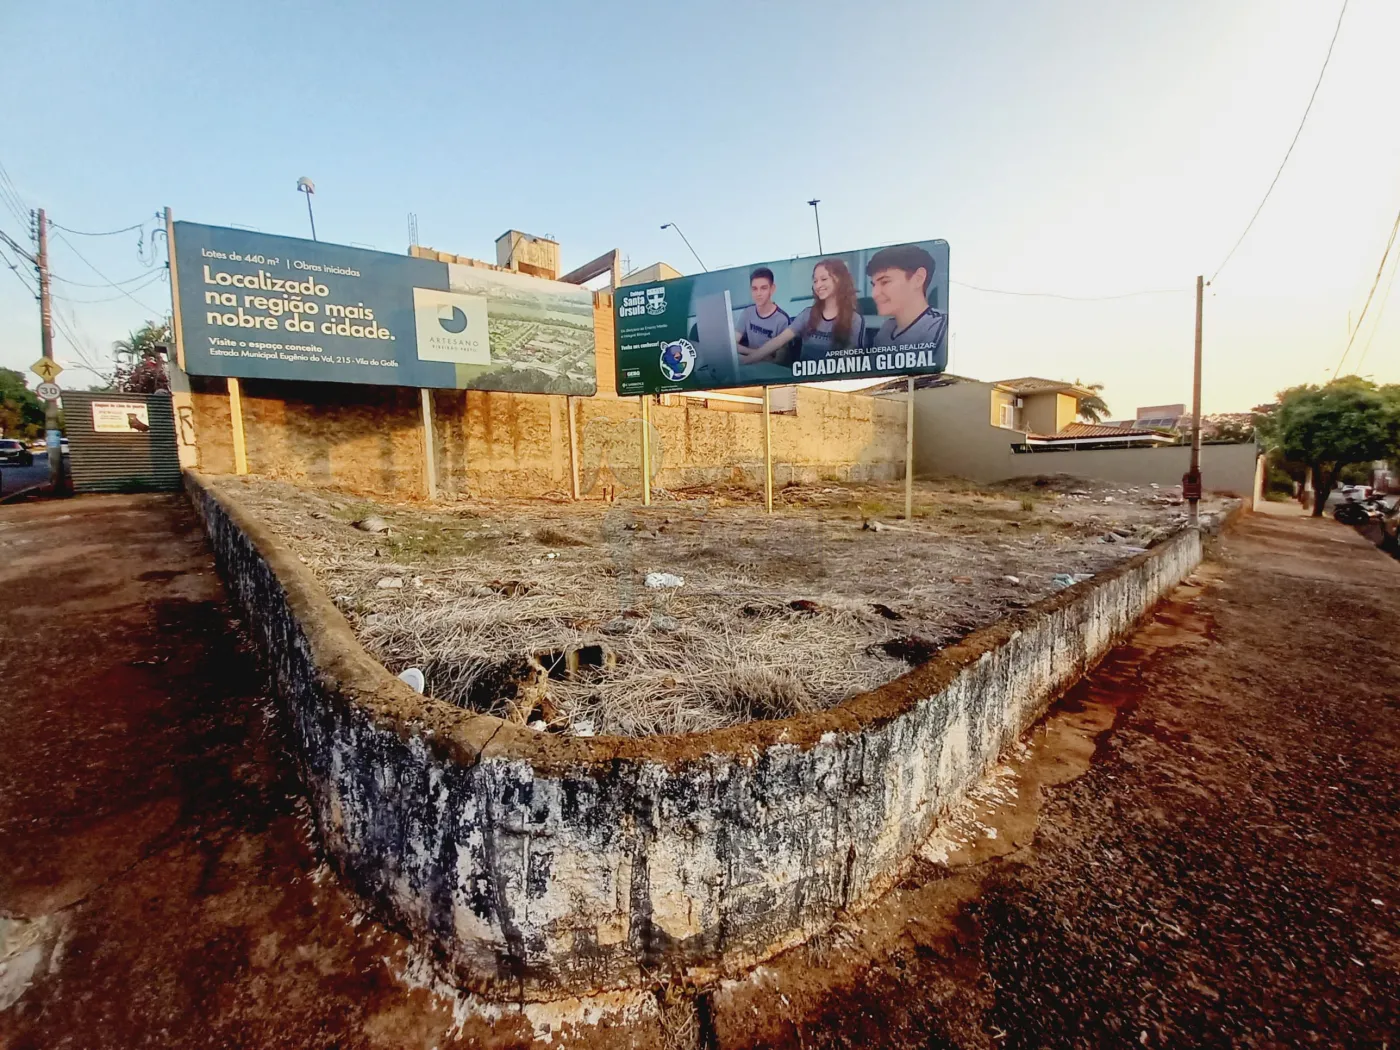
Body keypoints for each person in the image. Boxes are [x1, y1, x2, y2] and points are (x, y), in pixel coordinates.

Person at [740, 258, 863, 366]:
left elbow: (850, 361)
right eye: (815, 281)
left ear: (839, 280)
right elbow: (778, 341)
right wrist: (748, 359)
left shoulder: (854, 320)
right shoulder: (807, 315)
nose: (818, 285)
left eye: (824, 279)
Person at [867, 244, 947, 353]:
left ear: (918, 279)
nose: (874, 294)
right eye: (874, 285)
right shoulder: (886, 330)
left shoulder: (941, 327)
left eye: (885, 282)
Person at [734, 267, 793, 355]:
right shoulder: (747, 313)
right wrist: (755, 354)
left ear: (772, 289)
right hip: (750, 362)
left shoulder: (782, 320)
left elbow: (779, 361)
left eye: (763, 288)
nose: (758, 294)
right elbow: (733, 346)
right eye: (754, 289)